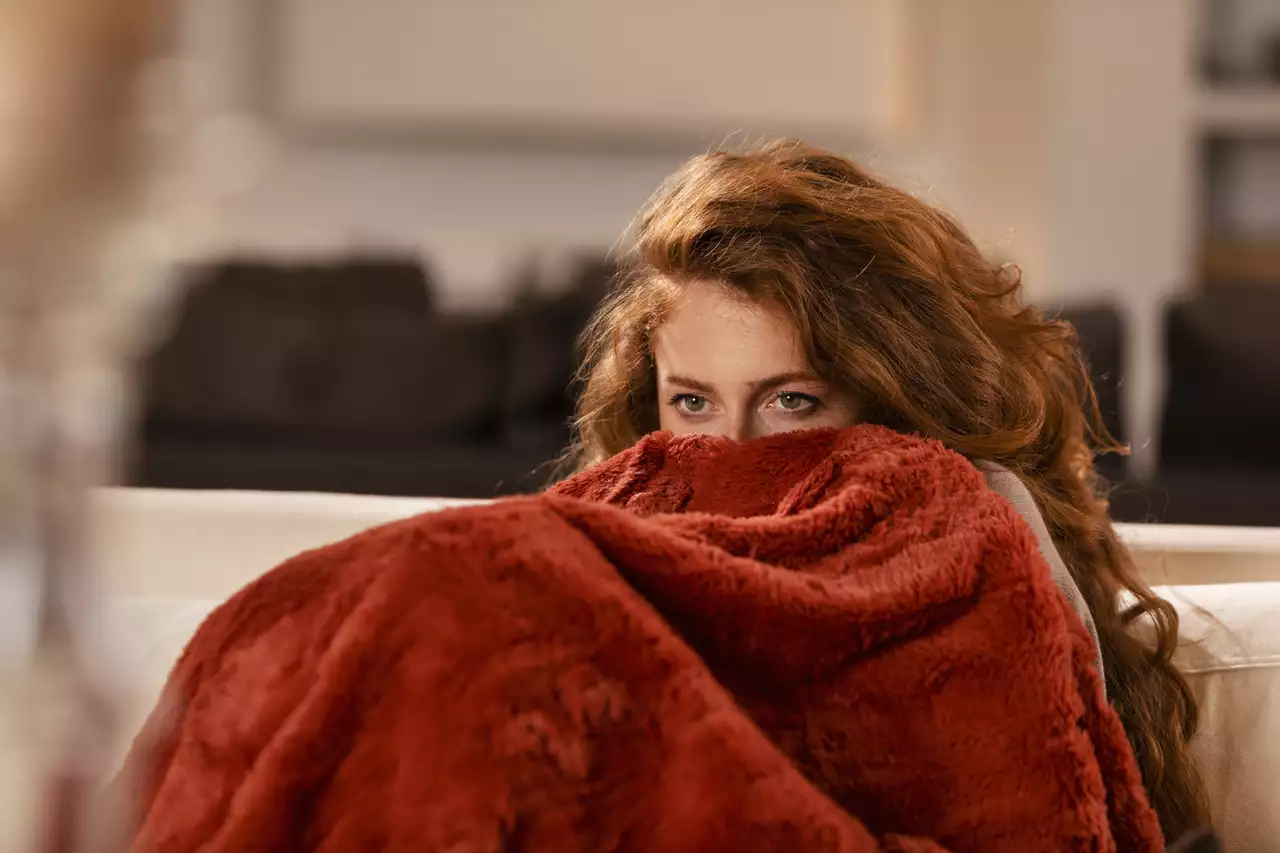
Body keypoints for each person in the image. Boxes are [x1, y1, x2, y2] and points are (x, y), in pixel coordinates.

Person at [567, 139, 1207, 840]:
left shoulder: (977, 523)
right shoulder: (615, 523)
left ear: (886, 397)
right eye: (693, 402)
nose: (735, 449)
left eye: (792, 401)